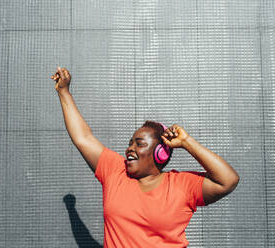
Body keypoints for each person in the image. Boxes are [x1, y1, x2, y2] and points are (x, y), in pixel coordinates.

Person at [51, 67, 240, 248]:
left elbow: (228, 180)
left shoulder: (181, 185)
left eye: (139, 144)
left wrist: (187, 142)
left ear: (161, 153)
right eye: (130, 143)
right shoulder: (116, 172)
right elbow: (83, 138)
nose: (129, 149)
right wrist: (64, 91)